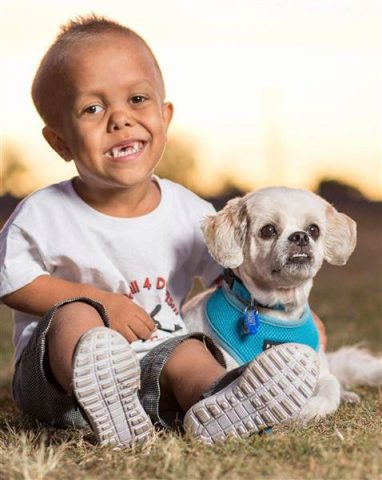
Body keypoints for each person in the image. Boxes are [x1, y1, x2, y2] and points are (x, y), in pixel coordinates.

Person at [0, 15, 320, 447]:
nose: (120, 119)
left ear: (164, 117)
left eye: (136, 98)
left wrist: (292, 315)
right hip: (56, 381)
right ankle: (102, 391)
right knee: (77, 315)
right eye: (93, 108)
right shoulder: (44, 212)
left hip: (152, 361)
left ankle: (219, 401)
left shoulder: (188, 211)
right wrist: (102, 303)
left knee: (189, 352)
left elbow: (233, 279)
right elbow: (12, 282)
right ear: (60, 142)